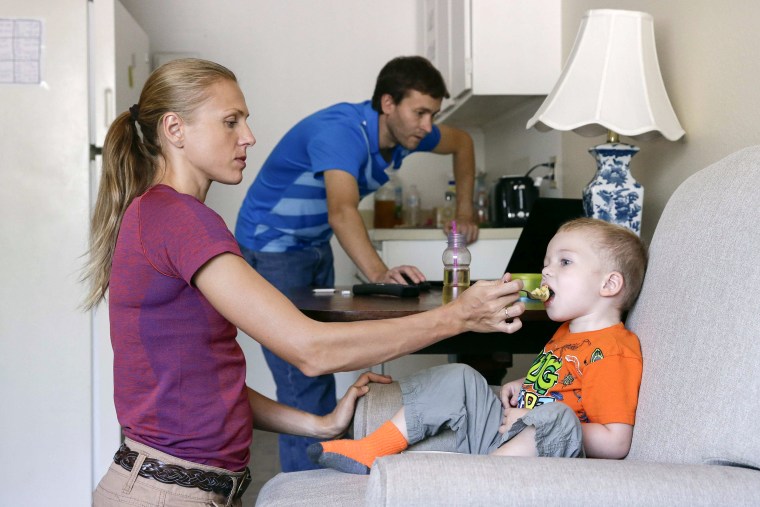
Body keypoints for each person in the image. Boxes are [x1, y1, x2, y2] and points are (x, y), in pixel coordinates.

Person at [81, 58, 525, 507]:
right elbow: (312, 350)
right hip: (167, 495)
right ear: (175, 129)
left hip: (177, 487)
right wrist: (458, 316)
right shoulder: (182, 220)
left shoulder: (163, 213)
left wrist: (321, 424)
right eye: (231, 121)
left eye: (246, 121)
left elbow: (207, 382)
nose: (249, 136)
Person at [234, 55, 480, 471]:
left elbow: (463, 143)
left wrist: (468, 209)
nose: (427, 124)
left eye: (433, 114)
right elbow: (342, 211)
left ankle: (326, 474)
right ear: (388, 103)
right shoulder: (341, 133)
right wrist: (381, 274)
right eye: (420, 112)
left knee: (325, 361)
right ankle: (307, 493)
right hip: (270, 247)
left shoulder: (406, 134)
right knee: (304, 380)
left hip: (313, 246)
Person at [309, 218, 648, 474]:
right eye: (547, 261)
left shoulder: (614, 349)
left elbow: (615, 442)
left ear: (609, 283)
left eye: (565, 262)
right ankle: (371, 450)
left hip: (551, 458)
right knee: (462, 376)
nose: (545, 271)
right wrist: (522, 386)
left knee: (559, 418)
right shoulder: (564, 334)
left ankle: (478, 481)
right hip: (506, 437)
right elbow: (555, 385)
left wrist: (536, 414)